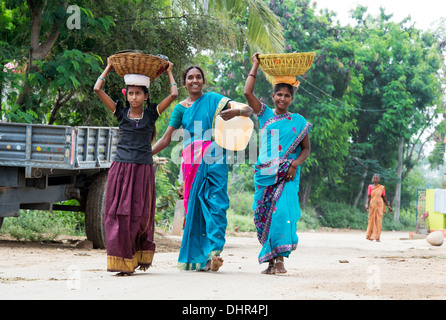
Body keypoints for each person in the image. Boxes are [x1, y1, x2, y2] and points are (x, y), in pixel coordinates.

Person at [152, 66, 252, 271]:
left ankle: (214, 252)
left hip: (216, 158)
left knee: (216, 203)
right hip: (191, 162)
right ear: (184, 83)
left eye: (198, 77)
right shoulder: (180, 108)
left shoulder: (216, 100)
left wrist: (236, 111)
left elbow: (249, 110)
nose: (194, 80)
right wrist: (145, 154)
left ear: (203, 81)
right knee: (195, 209)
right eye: (190, 77)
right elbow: (167, 137)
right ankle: (203, 258)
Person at [93, 58, 178, 276]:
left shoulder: (151, 114)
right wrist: (110, 67)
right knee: (117, 213)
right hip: (121, 168)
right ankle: (123, 261)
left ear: (146, 95)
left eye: (138, 93)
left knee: (140, 214)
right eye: (130, 93)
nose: (134, 97)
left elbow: (175, 95)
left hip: (142, 169)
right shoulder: (120, 112)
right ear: (126, 95)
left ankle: (140, 256)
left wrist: (169, 72)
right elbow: (97, 89)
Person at [244, 53, 311, 274]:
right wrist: (255, 64)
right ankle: (271, 261)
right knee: (262, 215)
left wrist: (294, 165)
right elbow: (247, 92)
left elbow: (306, 149)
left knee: (281, 213)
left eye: (287, 95)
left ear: (292, 98)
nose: (282, 99)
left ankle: (281, 259)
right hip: (265, 175)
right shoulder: (263, 115)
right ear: (272, 96)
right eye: (279, 94)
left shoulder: (298, 121)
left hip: (288, 175)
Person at [365, 174, 392, 242]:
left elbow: (384, 197)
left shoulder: (381, 187)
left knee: (379, 220)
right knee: (371, 220)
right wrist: (366, 204)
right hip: (372, 204)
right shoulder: (370, 186)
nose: (375, 179)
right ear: (372, 179)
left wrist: (388, 206)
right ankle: (370, 236)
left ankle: (377, 237)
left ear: (379, 179)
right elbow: (368, 196)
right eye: (374, 178)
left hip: (380, 205)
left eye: (377, 178)